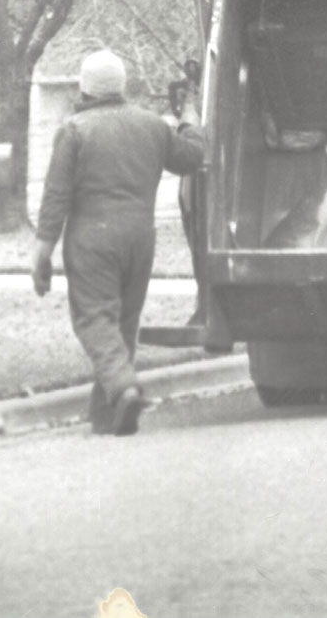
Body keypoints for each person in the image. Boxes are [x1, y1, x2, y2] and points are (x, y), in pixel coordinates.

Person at [32, 50, 205, 435]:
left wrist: (41, 255)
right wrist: (190, 121)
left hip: (92, 239)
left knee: (95, 318)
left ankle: (124, 388)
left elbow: (55, 199)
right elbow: (191, 157)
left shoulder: (74, 130)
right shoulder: (152, 126)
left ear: (85, 88)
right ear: (122, 85)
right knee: (123, 322)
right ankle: (108, 414)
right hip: (141, 237)